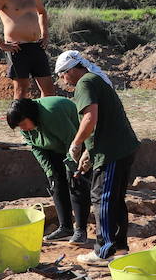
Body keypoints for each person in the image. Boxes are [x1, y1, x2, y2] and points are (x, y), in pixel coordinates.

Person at [53, 50, 139, 266]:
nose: (63, 80)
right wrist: (88, 153)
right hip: (121, 148)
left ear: (72, 70)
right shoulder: (96, 79)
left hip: (111, 151)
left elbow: (90, 119)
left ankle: (104, 251)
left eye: (63, 75)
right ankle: (119, 248)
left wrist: (76, 143)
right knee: (115, 199)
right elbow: (103, 122)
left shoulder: (85, 83)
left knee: (102, 198)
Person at [5, 96, 89, 246]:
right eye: (20, 127)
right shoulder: (25, 125)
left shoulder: (51, 113)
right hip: (53, 146)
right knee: (56, 183)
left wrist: (72, 166)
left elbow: (72, 140)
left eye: (23, 124)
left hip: (76, 142)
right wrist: (49, 171)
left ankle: (81, 230)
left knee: (75, 183)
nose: (23, 129)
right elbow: (36, 147)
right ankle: (65, 227)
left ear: (30, 116)